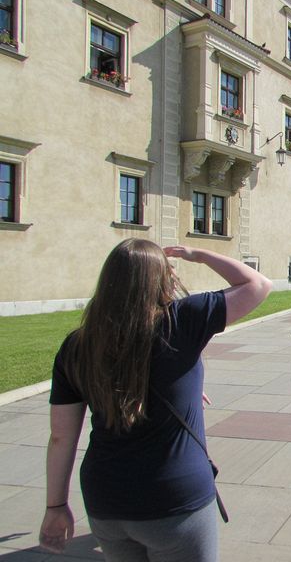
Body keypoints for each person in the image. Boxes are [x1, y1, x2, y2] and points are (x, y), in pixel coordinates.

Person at [38, 239, 272, 561]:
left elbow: (61, 437)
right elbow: (257, 284)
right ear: (164, 279)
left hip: (106, 501)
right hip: (174, 499)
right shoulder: (182, 320)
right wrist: (197, 254)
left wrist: (55, 505)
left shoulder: (78, 345)